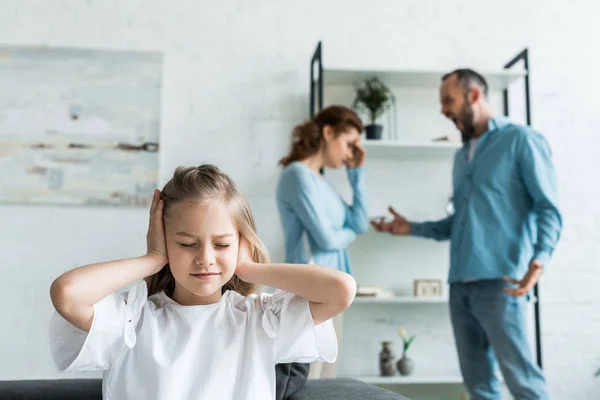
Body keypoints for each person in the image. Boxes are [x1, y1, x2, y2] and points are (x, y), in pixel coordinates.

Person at [48, 164, 356, 400]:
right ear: (165, 241)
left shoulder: (260, 319)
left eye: (221, 245)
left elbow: (341, 290)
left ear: (241, 243)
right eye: (186, 244)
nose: (205, 258)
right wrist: (153, 258)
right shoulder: (133, 320)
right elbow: (67, 293)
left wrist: (247, 268)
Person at [371, 69, 562, 400]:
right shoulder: (461, 156)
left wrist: (539, 261)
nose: (443, 110)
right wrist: (412, 228)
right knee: (479, 387)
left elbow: (548, 208)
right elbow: (460, 223)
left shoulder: (520, 140)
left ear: (474, 96)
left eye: (449, 100)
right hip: (460, 286)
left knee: (523, 383)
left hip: (503, 283)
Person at [276, 105, 369, 380]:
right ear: (328, 133)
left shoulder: (321, 182)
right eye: (349, 143)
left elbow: (360, 222)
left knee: (326, 375)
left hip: (332, 288)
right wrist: (348, 231)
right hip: (310, 288)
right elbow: (326, 238)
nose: (350, 152)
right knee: (308, 379)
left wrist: (356, 174)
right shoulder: (297, 175)